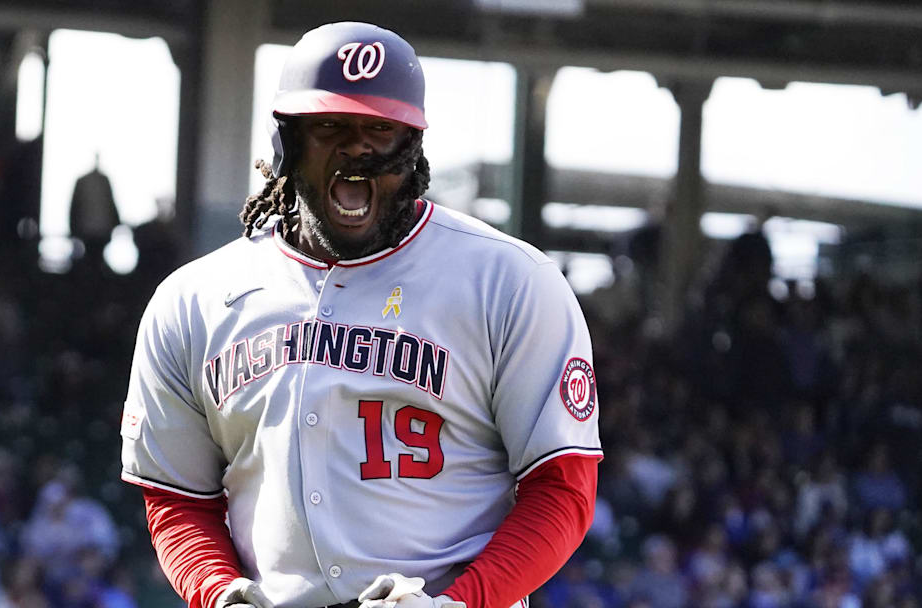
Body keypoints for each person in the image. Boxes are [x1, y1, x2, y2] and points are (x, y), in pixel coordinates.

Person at [120, 22, 602, 608]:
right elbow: (178, 498)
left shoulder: (509, 283)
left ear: (414, 147)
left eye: (380, 128)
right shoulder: (194, 299)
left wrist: (460, 604)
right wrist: (217, 593)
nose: (357, 148)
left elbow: (563, 490)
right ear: (287, 143)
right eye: (329, 127)